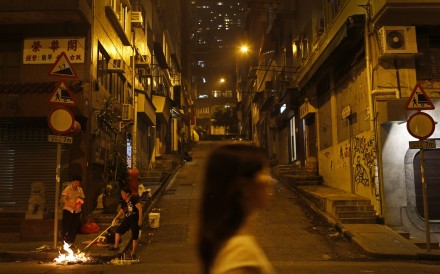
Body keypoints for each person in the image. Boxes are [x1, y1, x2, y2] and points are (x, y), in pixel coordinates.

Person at [197, 143, 276, 274]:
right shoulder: (240, 252)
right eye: (263, 172)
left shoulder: (225, 239)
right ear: (243, 186)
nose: (270, 180)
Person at [109, 185, 143, 259]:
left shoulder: (133, 199)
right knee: (118, 231)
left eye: (123, 194)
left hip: (134, 220)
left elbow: (140, 209)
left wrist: (140, 220)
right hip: (127, 220)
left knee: (134, 237)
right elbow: (122, 211)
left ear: (127, 193)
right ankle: (116, 246)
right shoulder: (124, 202)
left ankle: (133, 252)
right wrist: (115, 218)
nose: (122, 195)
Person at [61, 175, 85, 247]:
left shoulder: (80, 189)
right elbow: (64, 199)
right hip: (68, 209)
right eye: (75, 183)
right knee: (66, 226)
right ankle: (64, 242)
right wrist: (70, 204)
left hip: (77, 210)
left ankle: (71, 242)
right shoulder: (68, 189)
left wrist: (79, 203)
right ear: (72, 182)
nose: (76, 184)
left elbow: (82, 198)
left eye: (78, 183)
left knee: (74, 226)